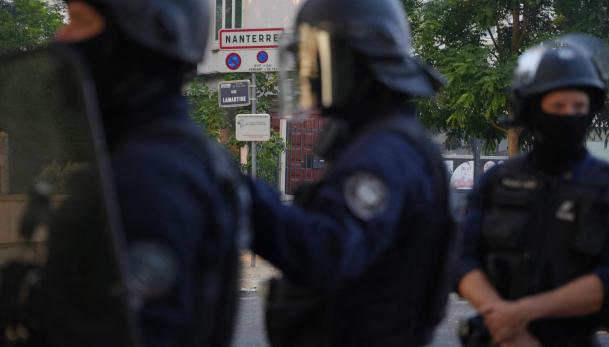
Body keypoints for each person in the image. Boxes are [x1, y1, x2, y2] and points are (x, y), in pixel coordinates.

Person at [0, 0, 247, 346]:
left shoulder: (145, 179)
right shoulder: (186, 156)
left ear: (136, 42)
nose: (61, 36)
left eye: (78, 21)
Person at [248, 0, 456, 346]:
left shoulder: (385, 153)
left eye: (316, 58)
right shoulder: (375, 140)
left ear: (352, 60)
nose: (308, 72)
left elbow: (327, 251)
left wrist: (238, 193)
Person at [456, 38, 609, 347]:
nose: (569, 115)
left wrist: (520, 314)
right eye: (558, 106)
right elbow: (462, 261)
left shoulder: (608, 185)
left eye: (579, 106)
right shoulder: (498, 181)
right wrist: (506, 325)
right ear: (532, 110)